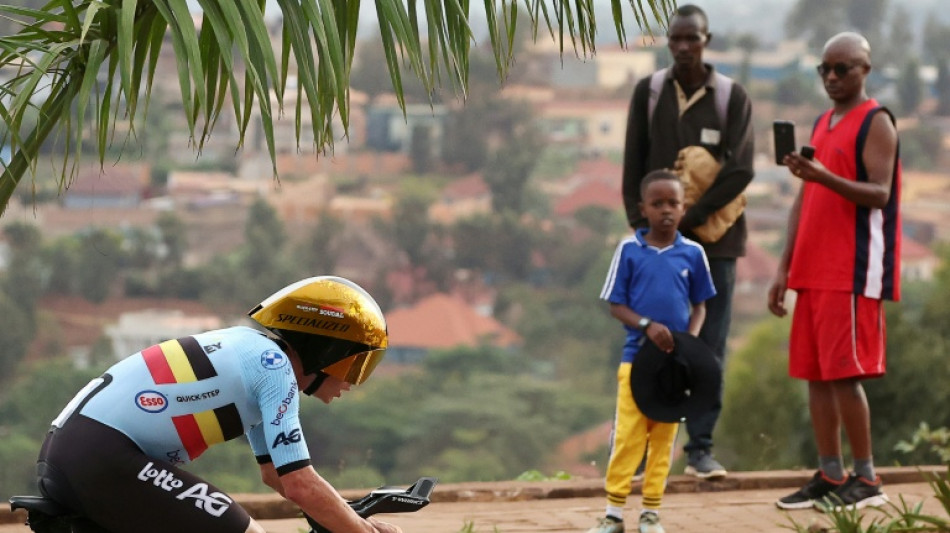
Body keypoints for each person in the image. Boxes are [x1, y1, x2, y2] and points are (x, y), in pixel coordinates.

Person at [34, 276, 403, 533]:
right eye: (354, 364)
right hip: (103, 456)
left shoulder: (254, 352)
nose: (351, 382)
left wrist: (352, 521)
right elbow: (300, 486)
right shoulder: (274, 370)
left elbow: (274, 474)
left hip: (74, 452)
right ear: (328, 349)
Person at [621, 3, 754, 479]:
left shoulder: (730, 98)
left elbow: (742, 169)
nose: (683, 47)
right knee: (649, 342)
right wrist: (643, 232)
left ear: (706, 41)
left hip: (714, 249)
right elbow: (632, 165)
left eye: (691, 39)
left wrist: (688, 221)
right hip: (656, 250)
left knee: (707, 347)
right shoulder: (650, 93)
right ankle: (640, 453)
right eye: (675, 39)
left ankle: (699, 450)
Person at [768, 32, 901, 512]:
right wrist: (783, 267)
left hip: (850, 269)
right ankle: (830, 472)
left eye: (841, 69)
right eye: (824, 68)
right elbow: (806, 200)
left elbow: (879, 193)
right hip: (812, 269)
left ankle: (866, 478)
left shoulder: (876, 121)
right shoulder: (825, 120)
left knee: (845, 375)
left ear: (865, 69)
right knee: (816, 376)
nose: (830, 77)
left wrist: (820, 174)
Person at [589, 169, 717, 533]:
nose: (666, 210)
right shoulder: (629, 250)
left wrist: (688, 344)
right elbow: (616, 304)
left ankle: (651, 513)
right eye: (657, 203)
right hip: (635, 362)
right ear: (642, 208)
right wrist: (647, 325)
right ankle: (613, 513)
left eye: (673, 203)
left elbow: (700, 306)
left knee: (663, 440)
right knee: (629, 437)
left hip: (674, 369)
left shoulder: (693, 253)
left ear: (683, 208)